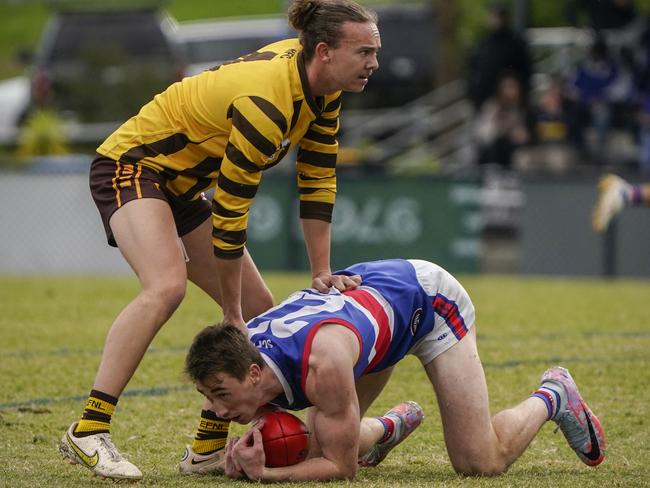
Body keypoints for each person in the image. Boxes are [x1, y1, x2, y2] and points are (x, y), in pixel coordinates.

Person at [58, 0, 380, 480]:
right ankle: (88, 429)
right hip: (134, 165)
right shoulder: (267, 104)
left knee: (259, 303)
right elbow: (231, 213)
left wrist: (320, 273)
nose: (375, 62)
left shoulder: (322, 90)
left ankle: (207, 447)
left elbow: (316, 182)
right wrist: (229, 315)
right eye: (365, 51)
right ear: (324, 51)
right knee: (167, 286)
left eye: (375, 51)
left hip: (182, 183)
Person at [185, 258, 606, 482]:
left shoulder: (322, 366)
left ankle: (553, 394)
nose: (217, 412)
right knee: (305, 447)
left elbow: (340, 468)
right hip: (371, 311)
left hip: (429, 303)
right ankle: (389, 427)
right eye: (209, 396)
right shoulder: (238, 352)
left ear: (255, 375)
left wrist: (265, 474)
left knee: (479, 462)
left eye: (221, 395)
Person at [466, 3, 532, 112]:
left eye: (500, 16)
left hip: (511, 103)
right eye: (494, 16)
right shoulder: (482, 43)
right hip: (486, 102)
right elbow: (472, 69)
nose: (497, 20)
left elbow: (526, 71)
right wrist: (473, 95)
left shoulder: (515, 43)